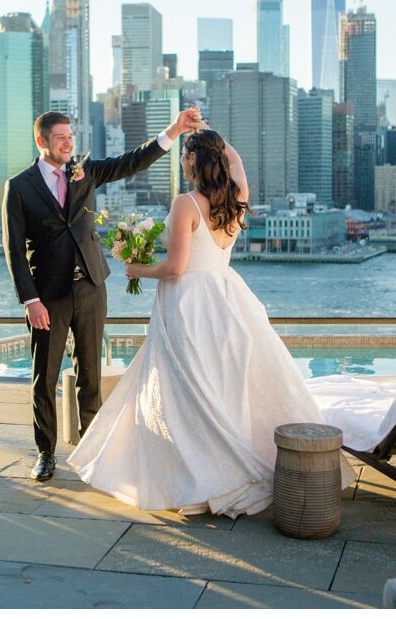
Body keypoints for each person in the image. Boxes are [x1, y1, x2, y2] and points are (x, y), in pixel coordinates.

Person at [68, 127, 351, 517]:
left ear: (191, 161)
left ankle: (197, 476)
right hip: (227, 299)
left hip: (188, 305)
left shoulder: (186, 203)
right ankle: (217, 465)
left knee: (182, 391)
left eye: (185, 155)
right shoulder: (237, 197)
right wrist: (210, 137)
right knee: (219, 386)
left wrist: (136, 269)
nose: (182, 162)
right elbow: (238, 164)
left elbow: (175, 267)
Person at [2, 107, 204, 482]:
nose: (68, 142)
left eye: (70, 136)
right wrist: (31, 301)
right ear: (41, 141)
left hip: (91, 287)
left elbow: (132, 162)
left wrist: (174, 130)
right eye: (61, 137)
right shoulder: (20, 186)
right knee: (43, 378)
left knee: (90, 374)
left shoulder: (85, 169)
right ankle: (46, 453)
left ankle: (92, 451)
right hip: (48, 296)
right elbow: (13, 249)